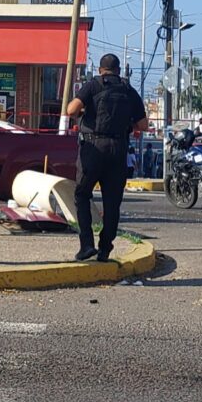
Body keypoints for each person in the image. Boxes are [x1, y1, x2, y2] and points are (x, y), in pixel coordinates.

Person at [66, 54, 149, 262]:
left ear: (101, 69)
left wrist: (85, 110)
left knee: (82, 194)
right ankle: (105, 248)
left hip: (93, 147)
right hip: (118, 149)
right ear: (119, 70)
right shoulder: (128, 90)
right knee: (112, 203)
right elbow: (143, 125)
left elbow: (71, 109)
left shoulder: (93, 85)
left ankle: (87, 245)